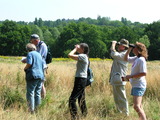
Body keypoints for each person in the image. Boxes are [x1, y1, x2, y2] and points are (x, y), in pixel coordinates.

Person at [124, 42, 148, 120]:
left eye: (134, 47)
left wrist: (131, 76)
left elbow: (144, 73)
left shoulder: (141, 60)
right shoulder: (136, 58)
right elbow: (125, 59)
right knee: (139, 106)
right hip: (136, 85)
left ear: (137, 49)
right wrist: (129, 49)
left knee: (136, 106)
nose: (133, 49)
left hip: (139, 85)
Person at [68, 43, 89, 120]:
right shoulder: (84, 56)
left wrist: (75, 49)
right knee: (81, 98)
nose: (78, 48)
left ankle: (74, 117)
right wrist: (77, 48)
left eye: (80, 47)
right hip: (82, 78)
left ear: (83, 49)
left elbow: (70, 55)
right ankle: (85, 114)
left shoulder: (83, 56)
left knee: (72, 99)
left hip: (80, 79)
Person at [109, 39, 129, 116]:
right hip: (116, 78)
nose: (118, 46)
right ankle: (119, 112)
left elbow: (113, 54)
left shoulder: (124, 54)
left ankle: (125, 113)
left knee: (122, 97)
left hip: (120, 78)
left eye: (120, 45)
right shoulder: (121, 54)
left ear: (124, 47)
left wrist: (113, 44)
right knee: (116, 97)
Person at [24, 43, 44, 113]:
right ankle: (37, 109)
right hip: (40, 75)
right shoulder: (39, 54)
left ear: (27, 49)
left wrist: (25, 68)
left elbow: (29, 63)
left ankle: (31, 111)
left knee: (30, 93)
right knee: (38, 93)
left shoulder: (30, 54)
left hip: (33, 75)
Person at [30, 34, 48, 99]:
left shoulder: (42, 45)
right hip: (37, 66)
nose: (31, 43)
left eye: (32, 41)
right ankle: (38, 99)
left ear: (36, 40)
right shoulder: (37, 45)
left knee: (41, 83)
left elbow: (40, 56)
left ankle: (42, 99)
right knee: (38, 84)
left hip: (41, 66)